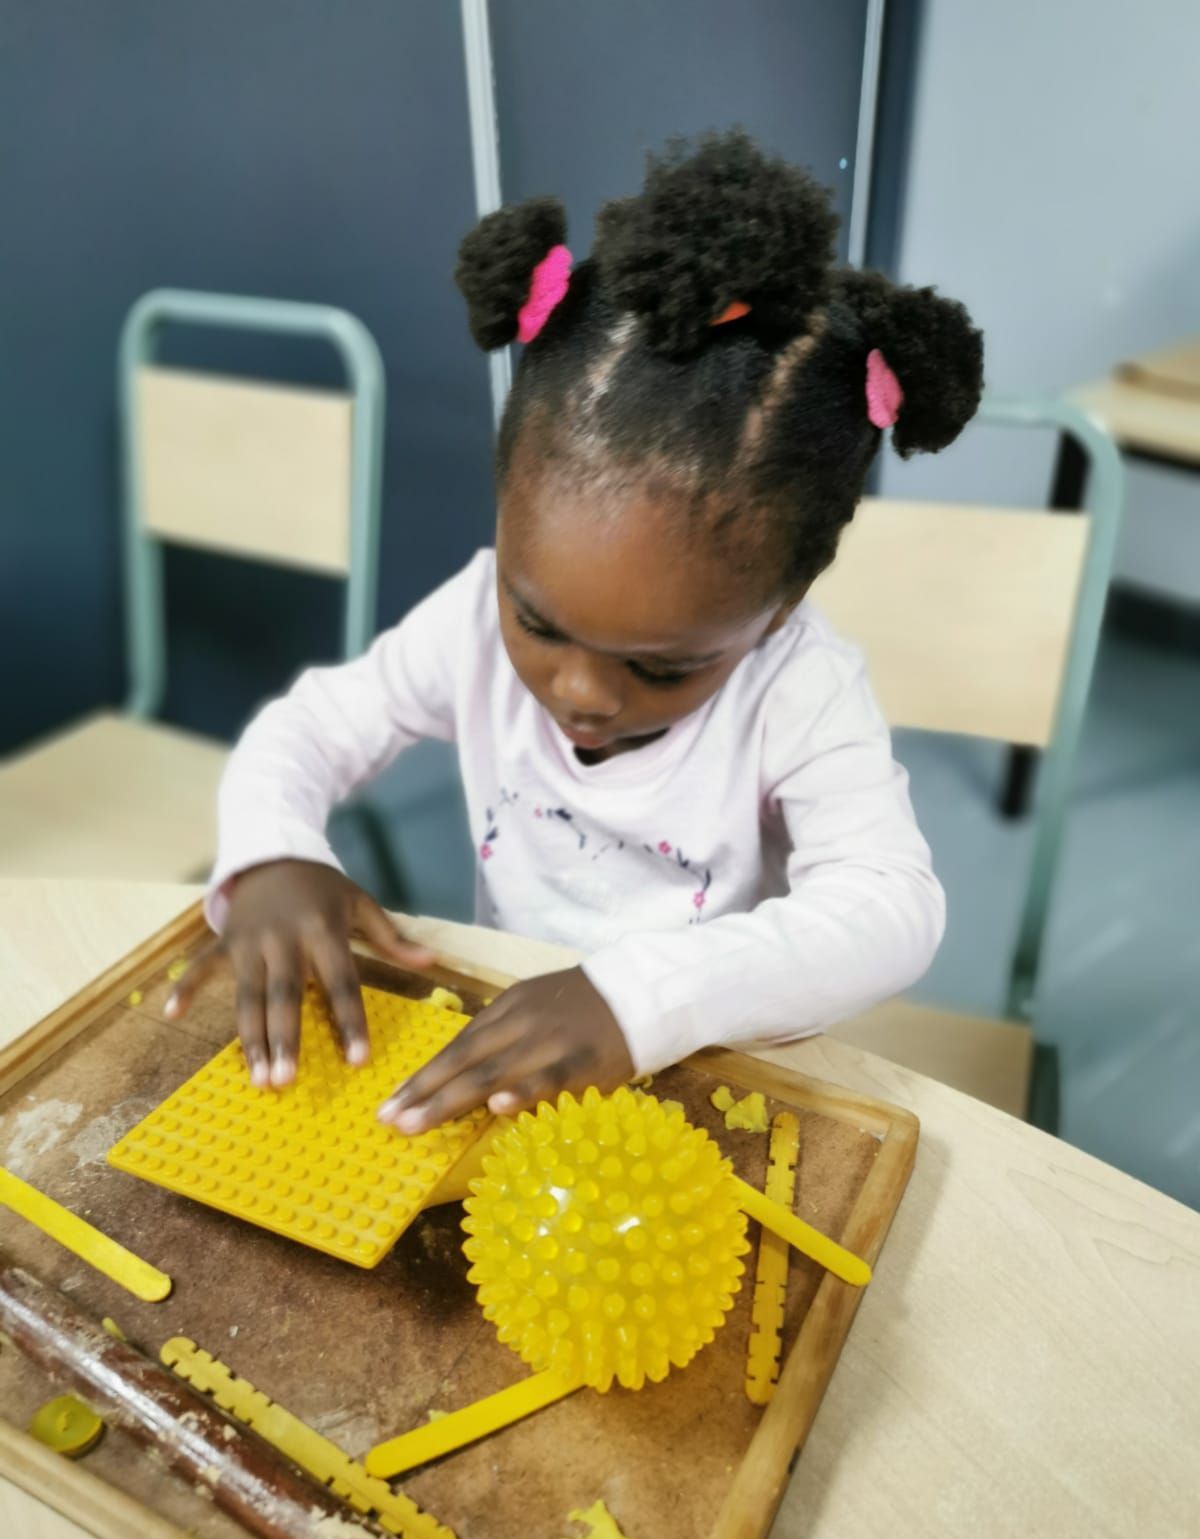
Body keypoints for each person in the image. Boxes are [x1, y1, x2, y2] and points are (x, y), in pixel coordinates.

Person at [168, 130, 983, 1135]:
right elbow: (311, 726)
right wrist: (271, 853)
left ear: (775, 610)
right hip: (525, 1049)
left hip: (703, 1063)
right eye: (539, 621)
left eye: (662, 666)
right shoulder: (472, 614)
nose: (583, 694)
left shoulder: (799, 689)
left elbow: (891, 910)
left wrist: (641, 1000)